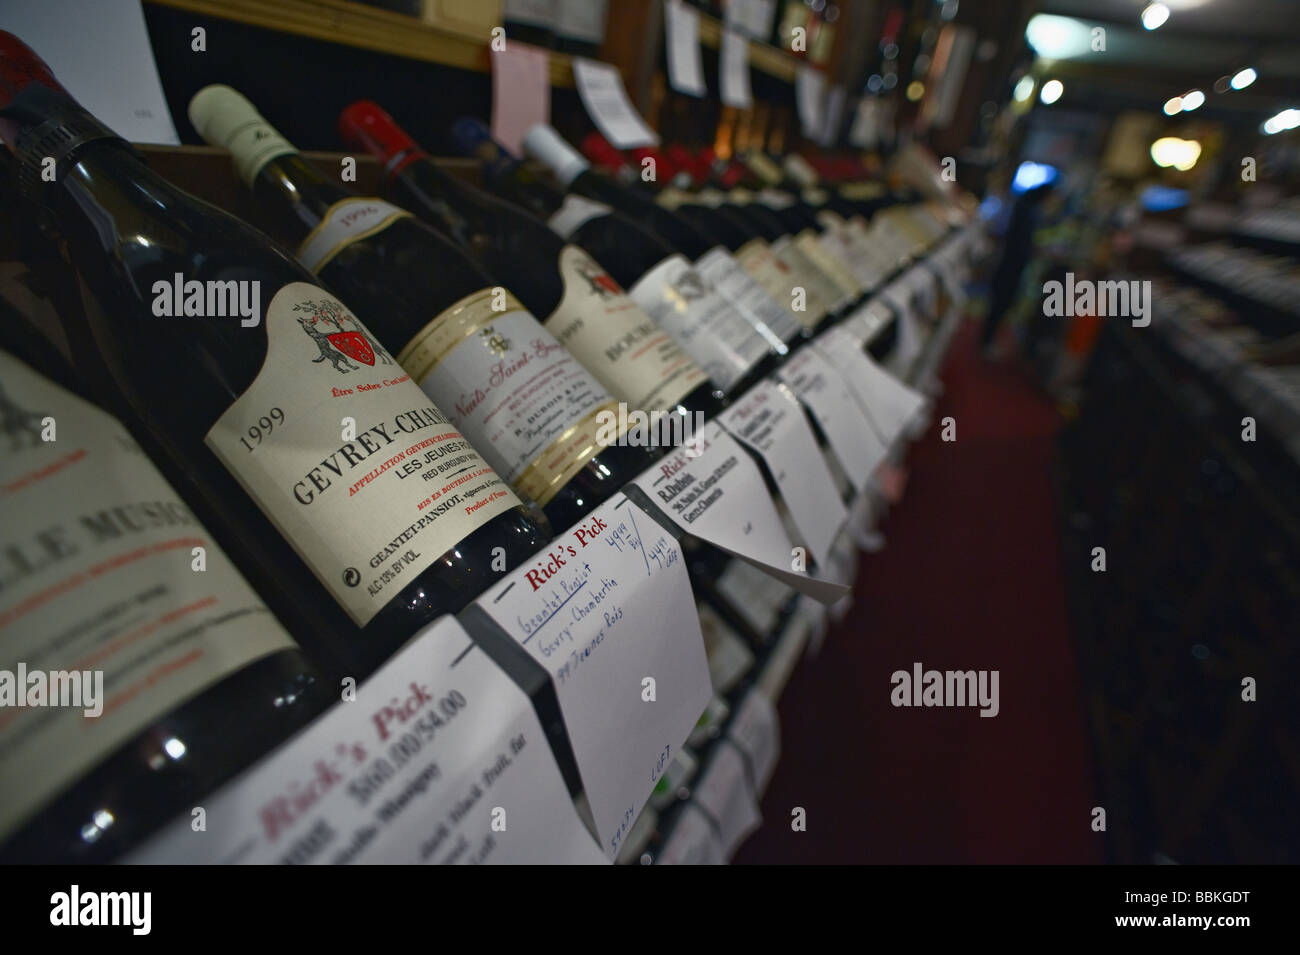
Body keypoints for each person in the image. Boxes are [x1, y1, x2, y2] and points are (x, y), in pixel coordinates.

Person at [981, 180, 1058, 356]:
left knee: (999, 303)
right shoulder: (1029, 212)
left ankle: (987, 340)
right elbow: (1021, 241)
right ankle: (986, 341)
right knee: (1001, 303)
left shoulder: (1024, 207)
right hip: (1012, 264)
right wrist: (1038, 250)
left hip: (1010, 262)